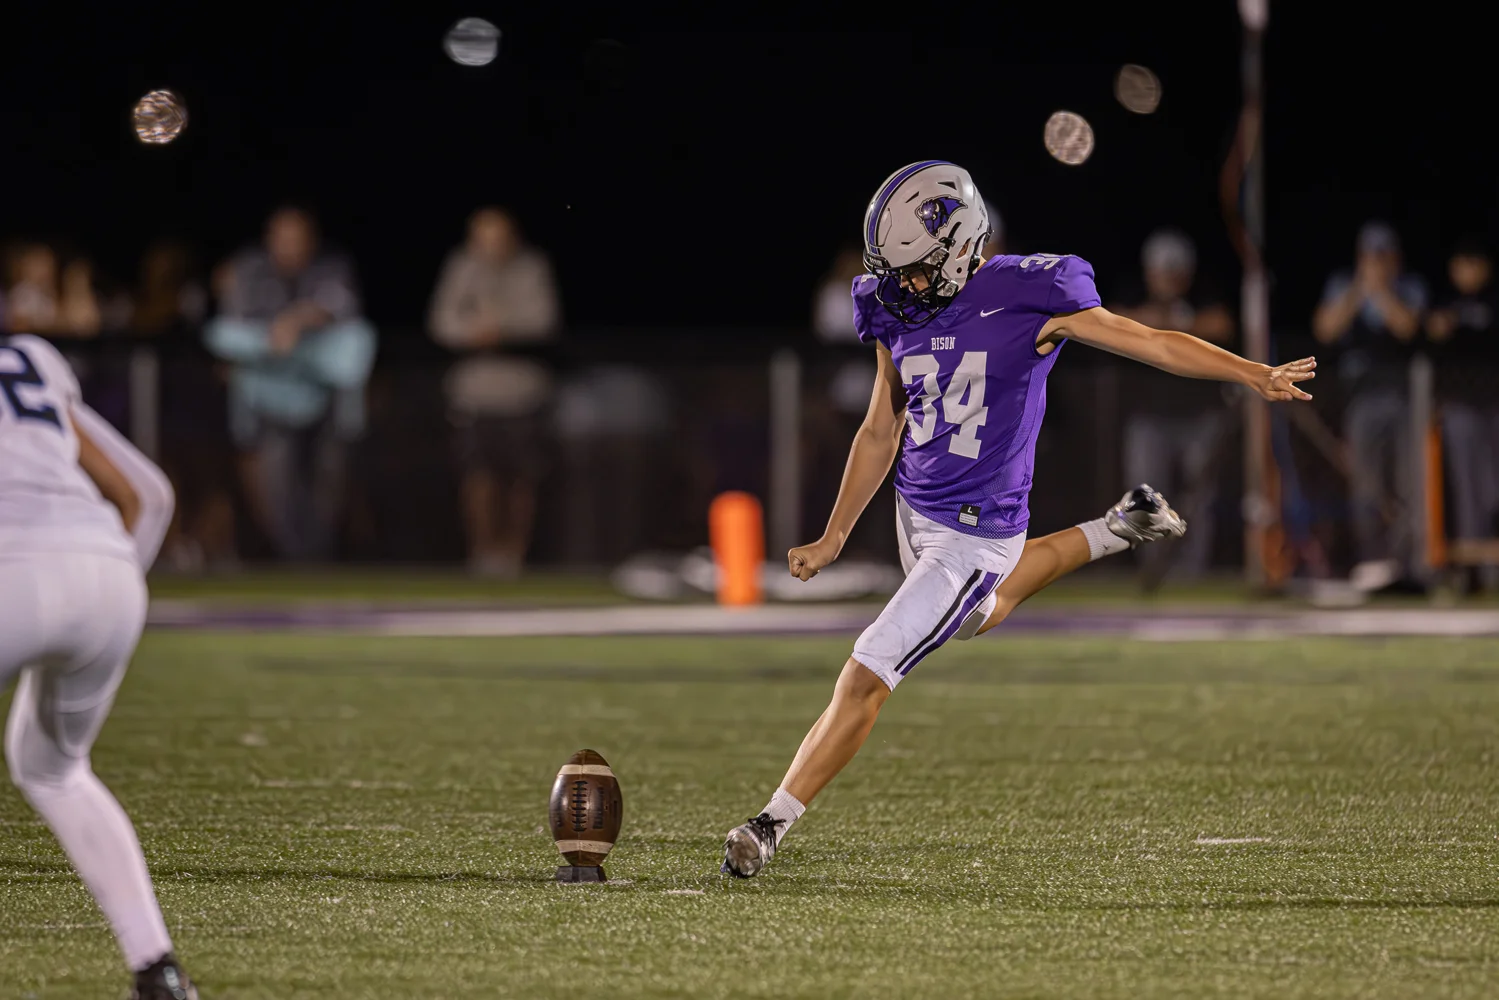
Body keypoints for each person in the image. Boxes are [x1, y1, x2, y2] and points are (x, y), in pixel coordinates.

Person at [720, 160, 1316, 878]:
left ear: (965, 242)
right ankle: (1116, 528)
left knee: (870, 666)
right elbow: (881, 427)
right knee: (982, 612)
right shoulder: (892, 305)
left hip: (976, 534)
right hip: (917, 511)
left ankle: (770, 823)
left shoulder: (1033, 292)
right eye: (896, 271)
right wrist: (836, 532)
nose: (903, 286)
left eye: (914, 269)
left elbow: (1150, 341)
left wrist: (1251, 372)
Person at [0, 334, 197, 998]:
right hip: (107, 575)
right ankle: (157, 970)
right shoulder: (31, 355)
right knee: (53, 769)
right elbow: (152, 495)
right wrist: (104, 592)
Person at [204, 206, 377, 561]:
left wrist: (297, 321)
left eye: (297, 239)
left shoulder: (331, 266)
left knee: (331, 476)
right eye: (282, 238)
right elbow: (227, 332)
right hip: (268, 395)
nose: (290, 247)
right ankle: (289, 556)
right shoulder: (249, 268)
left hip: (321, 393)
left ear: (311, 241)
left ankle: (321, 555)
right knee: (274, 477)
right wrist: (263, 343)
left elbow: (343, 313)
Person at [428, 206, 560, 576]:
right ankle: (483, 552)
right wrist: (474, 332)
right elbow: (442, 322)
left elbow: (543, 319)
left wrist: (500, 328)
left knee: (522, 478)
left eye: (499, 237)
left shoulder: (532, 267)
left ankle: (515, 552)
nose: (492, 246)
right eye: (483, 238)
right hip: (474, 393)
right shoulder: (461, 267)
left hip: (522, 392)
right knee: (478, 475)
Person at [1109, 228, 1237, 578]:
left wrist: (1176, 324)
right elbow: (1114, 321)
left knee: (1198, 500)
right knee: (1145, 498)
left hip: (1199, 415)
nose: (1169, 278)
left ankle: (1191, 572)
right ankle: (1153, 572)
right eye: (1163, 270)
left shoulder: (1203, 293)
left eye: (1175, 270)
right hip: (1149, 418)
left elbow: (1222, 325)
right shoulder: (1132, 292)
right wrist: (1167, 325)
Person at [1312, 220, 1427, 590]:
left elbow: (1406, 327)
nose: (1376, 263)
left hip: (1404, 398)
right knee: (1366, 483)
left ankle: (1409, 566)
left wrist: (1380, 291)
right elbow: (1326, 329)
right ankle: (1373, 561)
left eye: (1383, 256)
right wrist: (1361, 289)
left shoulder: (1408, 287)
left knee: (1410, 484)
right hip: (1360, 399)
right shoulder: (1345, 286)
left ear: (1395, 259)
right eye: (1369, 256)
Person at [1426, 238, 1499, 590]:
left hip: (1494, 404)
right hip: (1461, 406)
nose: (1469, 272)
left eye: (1475, 263)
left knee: (1492, 488)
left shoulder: (1492, 299)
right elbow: (1428, 339)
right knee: (1469, 490)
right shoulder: (1444, 300)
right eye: (1462, 263)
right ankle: (1477, 572)